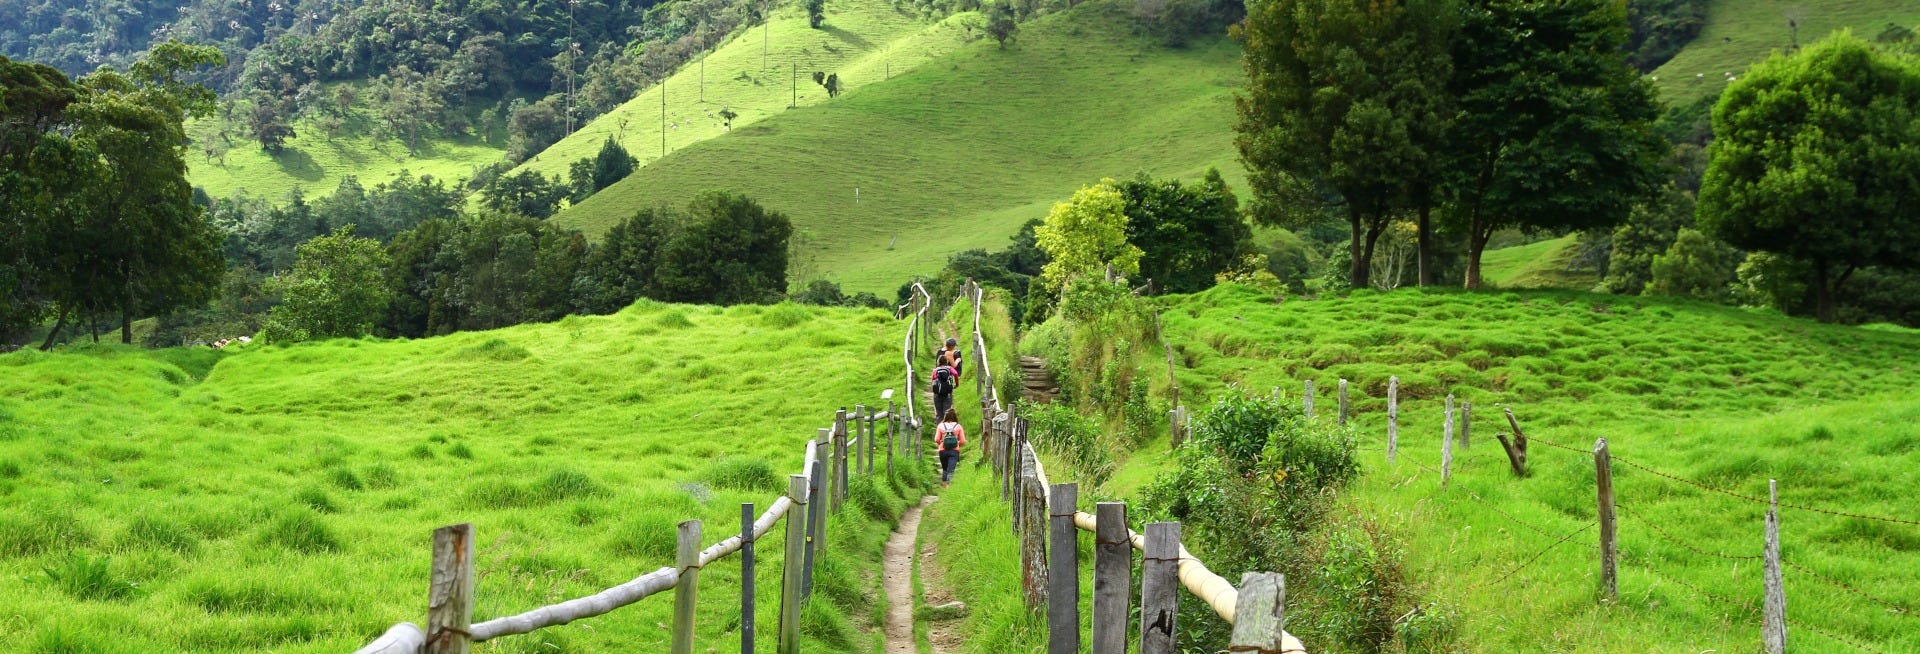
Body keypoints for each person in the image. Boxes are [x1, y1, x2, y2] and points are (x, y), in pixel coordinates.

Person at [935, 408, 968, 486]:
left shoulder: (941, 425)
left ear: (945, 416)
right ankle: (949, 486)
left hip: (942, 451)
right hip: (954, 451)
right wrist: (956, 443)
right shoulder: (958, 426)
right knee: (951, 470)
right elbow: (963, 441)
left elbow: (936, 439)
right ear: (955, 416)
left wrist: (942, 443)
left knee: (945, 469)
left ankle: (945, 486)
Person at [930, 347, 960, 422]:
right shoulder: (949, 368)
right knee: (947, 412)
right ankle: (946, 429)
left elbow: (933, 380)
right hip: (948, 393)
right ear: (946, 361)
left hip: (937, 394)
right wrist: (956, 384)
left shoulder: (935, 370)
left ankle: (939, 429)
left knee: (939, 413)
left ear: (938, 362)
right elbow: (956, 374)